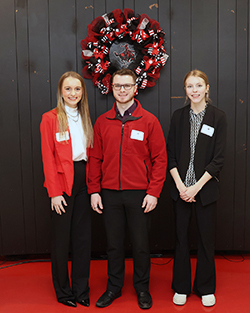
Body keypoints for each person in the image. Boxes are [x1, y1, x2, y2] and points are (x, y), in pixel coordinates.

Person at [88, 68, 167, 309]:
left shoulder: (149, 121)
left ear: (135, 88)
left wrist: (153, 192)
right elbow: (95, 159)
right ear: (112, 88)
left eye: (126, 85)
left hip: (140, 195)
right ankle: (114, 287)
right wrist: (93, 190)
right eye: (117, 85)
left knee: (141, 245)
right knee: (113, 244)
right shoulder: (102, 122)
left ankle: (142, 288)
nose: (122, 90)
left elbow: (160, 160)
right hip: (109, 194)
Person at [167, 69, 227, 307]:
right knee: (181, 239)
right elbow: (170, 155)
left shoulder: (218, 117)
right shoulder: (177, 117)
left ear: (207, 88)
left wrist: (196, 187)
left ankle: (205, 287)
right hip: (180, 189)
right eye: (190, 86)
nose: (194, 90)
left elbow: (219, 159)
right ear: (185, 90)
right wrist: (182, 186)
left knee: (205, 240)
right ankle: (181, 287)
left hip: (205, 191)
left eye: (199, 85)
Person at [40, 71, 93, 308]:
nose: (73, 93)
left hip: (83, 180)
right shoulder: (50, 118)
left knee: (83, 239)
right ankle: (63, 291)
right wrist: (54, 192)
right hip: (62, 183)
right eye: (68, 89)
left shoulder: (85, 116)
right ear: (61, 92)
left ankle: (81, 289)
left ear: (83, 92)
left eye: (77, 89)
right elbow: (48, 158)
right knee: (62, 241)